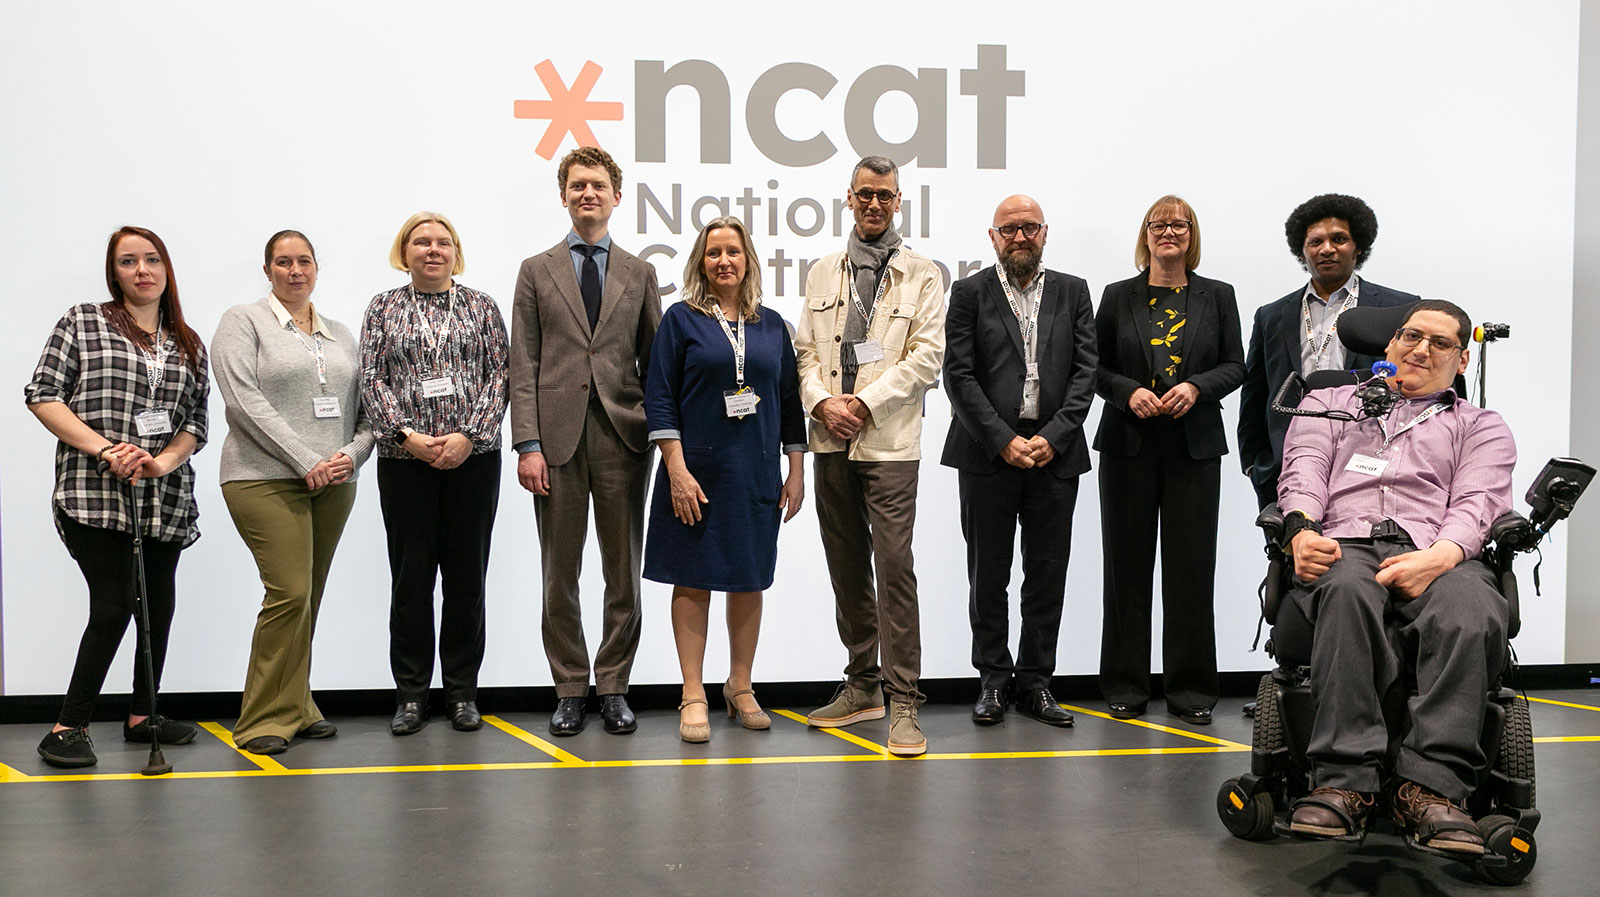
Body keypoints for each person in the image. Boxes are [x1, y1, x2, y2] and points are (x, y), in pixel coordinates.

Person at [1279, 300, 1513, 855]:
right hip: (1346, 540)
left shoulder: (1480, 425)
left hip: (1437, 546)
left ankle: (1432, 788)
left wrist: (1442, 555)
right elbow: (1304, 468)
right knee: (1345, 591)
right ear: (1389, 345)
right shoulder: (1329, 403)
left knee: (1471, 612)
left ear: (1461, 361)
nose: (1420, 349)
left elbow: (1479, 500)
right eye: (1411, 336)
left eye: (1439, 343)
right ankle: (1343, 782)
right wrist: (1300, 532)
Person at [25, 226, 209, 768]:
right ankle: (67, 726)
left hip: (163, 495)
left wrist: (162, 462)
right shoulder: (83, 321)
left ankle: (141, 715)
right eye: (129, 262)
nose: (142, 270)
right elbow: (43, 394)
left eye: (152, 260)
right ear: (115, 272)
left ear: (167, 269)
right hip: (93, 493)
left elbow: (195, 422)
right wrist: (108, 449)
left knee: (159, 605)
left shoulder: (187, 342)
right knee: (113, 605)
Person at [509, 146, 663, 737]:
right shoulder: (536, 269)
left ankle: (614, 685)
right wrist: (527, 443)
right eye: (577, 186)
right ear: (564, 195)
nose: (587, 194)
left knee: (623, 570)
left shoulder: (640, 272)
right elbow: (523, 364)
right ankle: (571, 687)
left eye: (597, 185)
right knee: (559, 572)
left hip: (625, 438)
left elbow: (657, 362)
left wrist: (653, 425)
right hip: (555, 440)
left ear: (616, 196)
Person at [795, 155, 946, 756]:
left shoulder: (923, 274)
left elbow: (926, 358)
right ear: (849, 199)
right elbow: (804, 352)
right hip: (831, 437)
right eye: (865, 195)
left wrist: (863, 402)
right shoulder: (822, 271)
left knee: (895, 570)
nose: (874, 204)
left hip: (888, 443)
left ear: (898, 201)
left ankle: (904, 700)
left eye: (885, 195)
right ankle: (862, 686)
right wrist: (821, 404)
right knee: (846, 565)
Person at [642, 217, 805, 743]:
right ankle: (693, 693)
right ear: (700, 262)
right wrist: (676, 469)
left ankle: (740, 686)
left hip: (754, 469)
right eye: (714, 253)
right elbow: (660, 397)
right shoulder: (681, 320)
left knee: (748, 577)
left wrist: (796, 469)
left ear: (749, 260)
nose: (724, 261)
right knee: (692, 578)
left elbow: (787, 402)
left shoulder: (772, 325)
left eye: (733, 251)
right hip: (694, 472)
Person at [212, 230, 375, 755]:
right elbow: (243, 401)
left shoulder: (342, 334)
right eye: (283, 262)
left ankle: (298, 705)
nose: (295, 270)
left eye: (304, 261)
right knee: (290, 594)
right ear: (268, 271)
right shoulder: (243, 321)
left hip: (333, 482)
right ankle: (260, 718)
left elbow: (366, 411)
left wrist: (351, 456)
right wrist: (305, 460)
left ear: (316, 268)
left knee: (310, 597)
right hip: (262, 477)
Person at [941, 194, 1095, 728]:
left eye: (1029, 228)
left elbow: (1084, 375)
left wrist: (1052, 436)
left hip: (1055, 454)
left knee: (1047, 573)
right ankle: (992, 680)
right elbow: (957, 376)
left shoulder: (1074, 292)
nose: (1020, 237)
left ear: (1045, 232)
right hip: (988, 453)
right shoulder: (968, 293)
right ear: (993, 237)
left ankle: (1036, 682)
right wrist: (1003, 439)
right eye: (1009, 230)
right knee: (988, 575)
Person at [1093, 196, 1245, 725]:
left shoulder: (1218, 295)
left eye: (1179, 225)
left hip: (1194, 446)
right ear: (1146, 234)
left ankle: (1191, 692)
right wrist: (1126, 392)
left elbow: (1235, 365)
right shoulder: (1117, 296)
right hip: (1128, 444)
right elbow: (1094, 367)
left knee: (1191, 571)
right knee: (1125, 569)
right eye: (1159, 224)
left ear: (1191, 234)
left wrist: (1198, 388)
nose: (1169, 232)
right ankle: (1125, 687)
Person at [360, 211, 508, 736]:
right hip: (405, 465)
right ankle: (412, 696)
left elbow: (499, 377)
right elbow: (371, 379)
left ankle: (463, 694)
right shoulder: (382, 308)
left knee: (467, 580)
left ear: (455, 252)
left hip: (473, 462)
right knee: (412, 580)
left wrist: (468, 435)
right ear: (405, 251)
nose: (432, 250)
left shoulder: (483, 308)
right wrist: (406, 437)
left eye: (442, 242)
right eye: (421, 242)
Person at [1238, 193, 1418, 510]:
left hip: (1371, 456)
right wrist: (1255, 464)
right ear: (1302, 250)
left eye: (1339, 239)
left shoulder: (1398, 307)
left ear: (1358, 246)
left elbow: (1417, 384)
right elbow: (1256, 391)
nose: (1327, 249)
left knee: (1360, 556)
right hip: (1289, 459)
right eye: (1315, 242)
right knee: (1293, 555)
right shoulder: (1272, 315)